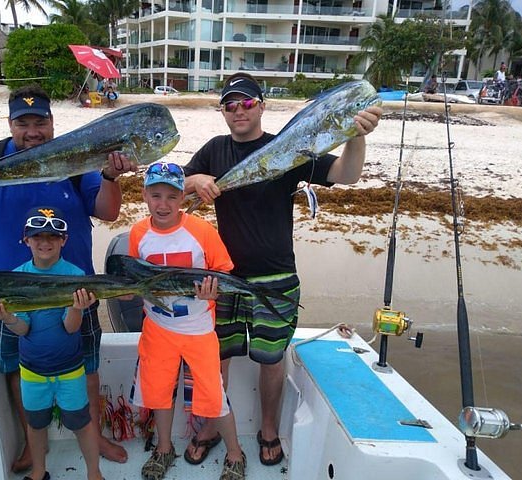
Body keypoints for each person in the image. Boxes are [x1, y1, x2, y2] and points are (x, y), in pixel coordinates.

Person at [0, 85, 133, 471]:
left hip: (74, 292)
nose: (32, 131)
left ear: (53, 123)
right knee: (18, 371)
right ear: (10, 124)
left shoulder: (75, 158)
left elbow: (107, 211)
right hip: (7, 296)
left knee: (87, 366)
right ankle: (30, 442)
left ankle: (96, 434)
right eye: (24, 123)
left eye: (40, 122)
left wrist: (109, 175)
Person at [183, 72, 382, 467]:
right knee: (215, 357)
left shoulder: (288, 147)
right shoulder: (214, 150)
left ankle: (269, 428)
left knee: (271, 359)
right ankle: (208, 425)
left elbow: (346, 174)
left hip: (276, 275)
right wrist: (197, 178)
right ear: (223, 112)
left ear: (261, 105)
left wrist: (355, 135)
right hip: (223, 277)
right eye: (230, 104)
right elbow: (178, 184)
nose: (239, 110)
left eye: (246, 102)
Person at [128, 161, 246, 480]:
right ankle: (164, 448)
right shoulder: (138, 233)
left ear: (183, 197)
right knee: (158, 392)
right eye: (155, 195)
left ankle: (235, 453)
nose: (162, 204)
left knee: (214, 393)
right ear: (144, 196)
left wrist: (213, 293)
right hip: (157, 330)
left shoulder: (201, 231)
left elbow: (223, 271)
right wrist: (124, 293)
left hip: (199, 330)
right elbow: (131, 282)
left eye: (171, 196)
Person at [0, 206, 102, 480]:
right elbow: (24, 328)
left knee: (81, 423)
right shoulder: (17, 278)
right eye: (38, 237)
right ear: (26, 240)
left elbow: (70, 328)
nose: (45, 242)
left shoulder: (76, 275)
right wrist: (8, 318)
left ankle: (94, 473)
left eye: (53, 236)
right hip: (32, 371)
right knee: (35, 424)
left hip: (70, 369)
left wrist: (76, 308)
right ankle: (39, 472)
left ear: (64, 240)